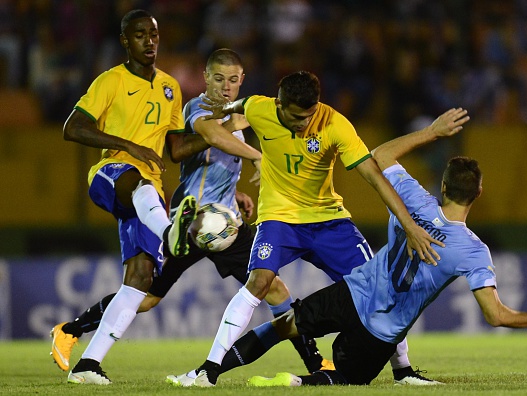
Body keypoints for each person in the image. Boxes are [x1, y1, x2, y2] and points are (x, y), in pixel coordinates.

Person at [196, 108, 527, 387]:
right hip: (381, 332)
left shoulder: (414, 200)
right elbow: (495, 315)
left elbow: (380, 155)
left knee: (284, 325)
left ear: (443, 188)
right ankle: (295, 383)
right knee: (344, 380)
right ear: (478, 194)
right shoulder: (473, 251)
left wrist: (432, 132)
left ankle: (211, 372)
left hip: (352, 293)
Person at [51, 48, 332, 381]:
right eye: (218, 78)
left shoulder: (239, 112)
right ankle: (70, 330)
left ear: (241, 79)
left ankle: (315, 362)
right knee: (146, 297)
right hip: (191, 222)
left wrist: (235, 191)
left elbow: (218, 163)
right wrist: (257, 155)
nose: (225, 87)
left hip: (226, 225)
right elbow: (190, 146)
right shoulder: (197, 107)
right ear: (206, 78)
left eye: (232, 79)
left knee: (274, 289)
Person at [166, 70, 448, 387]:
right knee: (258, 283)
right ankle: (208, 371)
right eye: (297, 116)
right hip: (279, 219)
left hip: (329, 221)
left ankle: (404, 371)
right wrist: (220, 116)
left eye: (309, 115)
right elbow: (235, 110)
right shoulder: (260, 108)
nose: (304, 123)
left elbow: (374, 177)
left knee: (380, 289)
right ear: (280, 104)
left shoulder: (335, 124)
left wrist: (409, 226)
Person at [61, 10, 200, 385]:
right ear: (125, 41)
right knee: (136, 180)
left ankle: (88, 365)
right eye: (140, 35)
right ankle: (171, 230)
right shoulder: (110, 81)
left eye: (154, 34)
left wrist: (221, 130)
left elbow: (176, 149)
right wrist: (128, 145)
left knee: (139, 280)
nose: (150, 41)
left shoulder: (171, 87)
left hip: (149, 191)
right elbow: (72, 128)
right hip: (112, 174)